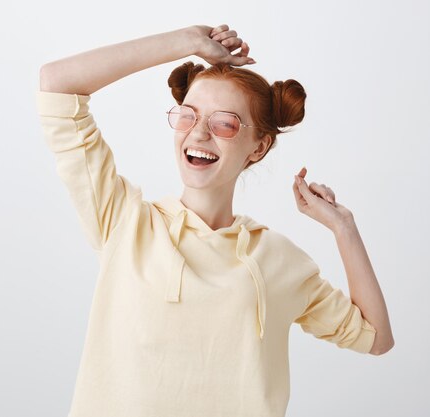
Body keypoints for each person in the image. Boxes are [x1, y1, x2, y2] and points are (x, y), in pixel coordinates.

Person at [36, 24, 394, 417]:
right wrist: (185, 42)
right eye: (189, 115)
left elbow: (375, 338)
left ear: (258, 147)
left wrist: (344, 228)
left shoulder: (279, 259)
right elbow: (57, 85)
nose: (200, 133)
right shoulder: (124, 221)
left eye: (224, 123)